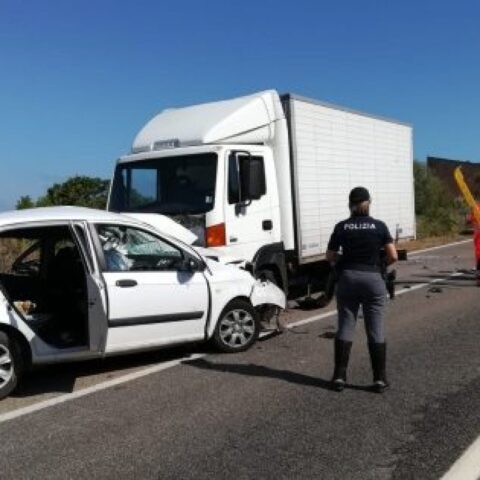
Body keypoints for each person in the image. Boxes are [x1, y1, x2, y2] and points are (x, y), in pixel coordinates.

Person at [326, 187, 398, 393]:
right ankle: (379, 379)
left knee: (345, 326)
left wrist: (343, 261)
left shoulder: (341, 226)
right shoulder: (379, 226)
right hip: (373, 279)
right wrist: (379, 263)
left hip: (348, 279)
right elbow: (392, 256)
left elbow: (329, 257)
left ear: (350, 204)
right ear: (368, 203)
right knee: (375, 329)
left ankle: (339, 376)